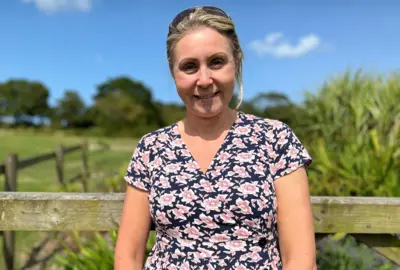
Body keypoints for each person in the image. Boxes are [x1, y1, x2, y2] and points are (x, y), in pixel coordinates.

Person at [114, 5, 316, 270]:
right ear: (173, 73)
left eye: (216, 62)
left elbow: (300, 259)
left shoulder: (275, 139)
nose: (204, 79)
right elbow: (128, 256)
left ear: (237, 62)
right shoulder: (151, 148)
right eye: (189, 66)